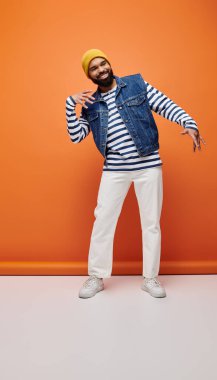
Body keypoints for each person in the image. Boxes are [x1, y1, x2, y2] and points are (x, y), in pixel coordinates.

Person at [65, 48, 206, 299]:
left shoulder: (136, 84)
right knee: (103, 221)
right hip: (115, 170)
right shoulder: (91, 104)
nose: (101, 69)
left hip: (148, 165)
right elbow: (76, 137)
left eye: (103, 63)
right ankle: (96, 277)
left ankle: (150, 278)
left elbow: (165, 105)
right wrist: (69, 104)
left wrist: (189, 123)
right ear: (90, 75)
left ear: (109, 63)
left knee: (150, 223)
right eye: (94, 68)